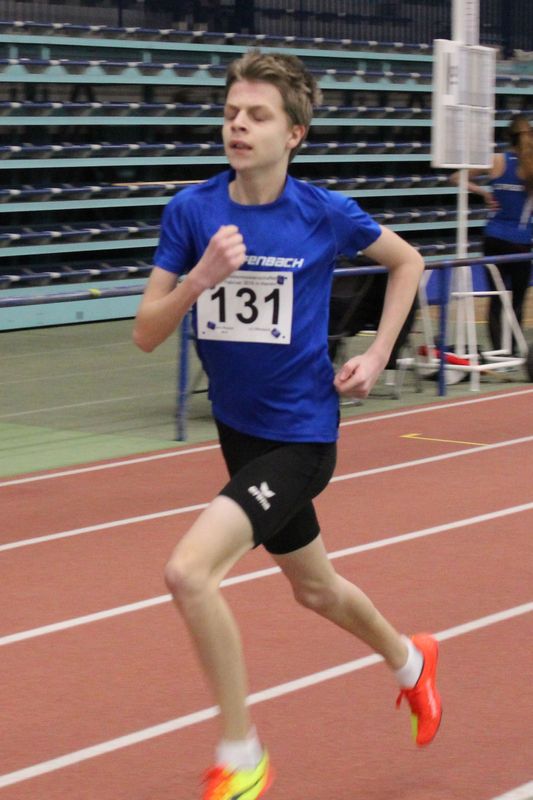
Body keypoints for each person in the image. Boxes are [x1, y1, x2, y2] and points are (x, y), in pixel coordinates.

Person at [133, 50, 441, 800]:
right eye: (231, 112)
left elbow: (408, 263)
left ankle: (242, 753)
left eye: (257, 115)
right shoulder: (192, 212)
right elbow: (145, 333)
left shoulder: (322, 213)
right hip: (237, 433)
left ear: (294, 133)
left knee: (188, 572)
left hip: (302, 436)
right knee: (316, 589)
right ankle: (411, 661)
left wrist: (377, 353)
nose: (237, 125)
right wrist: (200, 278)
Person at [451, 114, 533, 352]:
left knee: (496, 296)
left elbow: (456, 177)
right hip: (520, 241)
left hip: (493, 238)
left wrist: (484, 193)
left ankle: (499, 350)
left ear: (508, 137)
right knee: (517, 299)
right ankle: (512, 350)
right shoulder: (529, 167)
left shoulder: (496, 160)